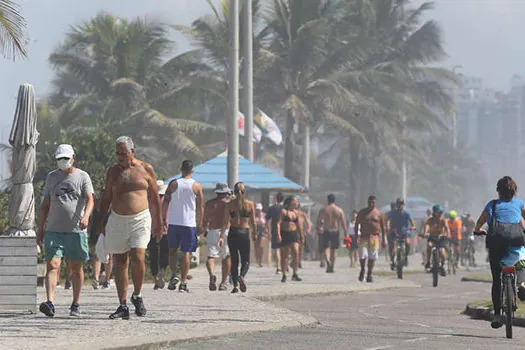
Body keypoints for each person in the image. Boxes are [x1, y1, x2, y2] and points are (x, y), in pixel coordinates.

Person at [99, 136, 163, 319]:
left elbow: (155, 198)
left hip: (140, 218)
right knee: (120, 261)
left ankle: (138, 294)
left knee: (138, 256)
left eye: (123, 153)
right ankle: (123, 304)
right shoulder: (112, 171)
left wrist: (159, 222)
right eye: (117, 153)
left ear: (132, 152)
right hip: (118, 219)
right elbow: (106, 198)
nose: (120, 157)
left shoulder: (145, 168)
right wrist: (100, 222)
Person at [37, 144, 95, 317]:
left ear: (73, 158)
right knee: (53, 264)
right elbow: (45, 204)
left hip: (76, 230)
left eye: (66, 159)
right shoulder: (51, 177)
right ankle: (50, 302)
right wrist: (41, 227)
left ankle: (75, 303)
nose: (63, 162)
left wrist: (86, 217)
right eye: (60, 159)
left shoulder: (82, 176)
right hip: (54, 229)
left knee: (76, 267)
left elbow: (90, 199)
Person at [473, 176, 525, 328]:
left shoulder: (492, 204)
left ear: (498, 191)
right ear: (514, 191)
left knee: (497, 280)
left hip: (496, 242)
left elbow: (480, 221)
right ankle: (522, 284)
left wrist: (477, 230)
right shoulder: (519, 203)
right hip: (516, 239)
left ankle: (497, 316)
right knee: (521, 261)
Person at [163, 160, 204, 293]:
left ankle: (174, 274)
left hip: (174, 222)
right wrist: (200, 222)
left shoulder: (174, 184)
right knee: (186, 252)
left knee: (172, 251)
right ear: (192, 171)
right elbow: (200, 206)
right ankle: (183, 282)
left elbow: (166, 201)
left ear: (181, 169)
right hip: (189, 224)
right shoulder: (197, 186)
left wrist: (164, 218)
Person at [220, 182, 256, 293]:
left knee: (234, 260)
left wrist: (221, 236)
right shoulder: (250, 204)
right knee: (245, 260)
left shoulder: (229, 205)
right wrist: (254, 233)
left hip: (233, 232)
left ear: (234, 192)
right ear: (244, 192)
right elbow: (253, 223)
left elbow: (225, 222)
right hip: (244, 232)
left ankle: (235, 286)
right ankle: (242, 276)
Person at [204, 182, 232, 291]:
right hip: (226, 231)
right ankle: (223, 282)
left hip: (212, 230)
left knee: (211, 256)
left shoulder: (209, 204)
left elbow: (205, 219)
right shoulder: (229, 203)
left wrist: (204, 228)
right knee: (226, 257)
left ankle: (211, 274)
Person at [355, 195, 386, 282]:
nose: (371, 204)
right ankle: (362, 269)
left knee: (372, 257)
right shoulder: (362, 213)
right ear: (367, 202)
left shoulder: (379, 213)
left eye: (373, 203)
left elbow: (383, 228)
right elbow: (357, 224)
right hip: (364, 237)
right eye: (370, 202)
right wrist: (356, 236)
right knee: (363, 255)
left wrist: (384, 239)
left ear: (375, 203)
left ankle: (369, 274)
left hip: (375, 237)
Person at [316, 194, 348, 273]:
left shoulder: (324, 210)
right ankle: (332, 265)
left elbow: (319, 221)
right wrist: (346, 233)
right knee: (333, 250)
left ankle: (328, 262)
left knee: (325, 248)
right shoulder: (339, 210)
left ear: (328, 200)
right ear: (334, 200)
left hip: (326, 230)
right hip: (335, 230)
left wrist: (318, 229)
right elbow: (343, 223)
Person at [148, 180, 170, 290]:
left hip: (151, 230)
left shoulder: (149, 200)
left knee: (153, 254)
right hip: (165, 229)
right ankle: (162, 271)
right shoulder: (167, 200)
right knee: (164, 253)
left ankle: (155, 276)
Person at [277, 196, 304, 282]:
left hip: (294, 234)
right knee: (284, 256)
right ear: (290, 202)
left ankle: (295, 273)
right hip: (285, 234)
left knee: (296, 253)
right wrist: (278, 235)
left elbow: (299, 225)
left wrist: (301, 235)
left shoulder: (296, 213)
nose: (296, 203)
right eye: (295, 201)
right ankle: (284, 274)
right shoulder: (283, 212)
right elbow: (278, 223)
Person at [90, 193, 113, 290]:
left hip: (98, 231)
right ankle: (106, 280)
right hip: (106, 231)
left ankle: (96, 277)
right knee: (109, 257)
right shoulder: (112, 205)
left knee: (98, 256)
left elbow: (91, 220)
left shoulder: (96, 204)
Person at [387, 198, 415, 270]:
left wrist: (413, 227)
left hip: (404, 232)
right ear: (396, 205)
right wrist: (388, 226)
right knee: (392, 246)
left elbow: (412, 222)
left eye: (401, 203)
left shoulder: (407, 213)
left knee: (408, 243)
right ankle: (392, 261)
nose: (400, 205)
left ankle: (405, 256)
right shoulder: (392, 213)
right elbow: (388, 221)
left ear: (404, 205)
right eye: (399, 204)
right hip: (394, 232)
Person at [422, 204, 449, 276]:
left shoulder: (443, 220)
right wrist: (425, 233)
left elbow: (446, 228)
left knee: (443, 254)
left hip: (441, 238)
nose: (440, 214)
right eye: (438, 212)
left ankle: (442, 266)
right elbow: (427, 227)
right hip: (432, 237)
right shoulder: (430, 220)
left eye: (441, 212)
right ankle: (428, 262)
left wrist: (448, 234)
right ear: (434, 213)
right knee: (429, 246)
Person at [266, 193, 284, 274]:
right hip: (286, 230)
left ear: (276, 199)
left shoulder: (272, 208)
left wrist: (268, 231)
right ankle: (285, 266)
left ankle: (278, 267)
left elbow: (267, 220)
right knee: (285, 249)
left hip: (275, 231)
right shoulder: (285, 208)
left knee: (277, 249)